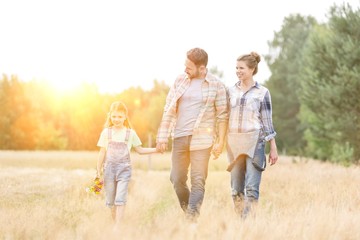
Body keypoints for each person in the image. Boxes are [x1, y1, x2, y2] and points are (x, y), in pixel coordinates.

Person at [156, 47, 229, 222]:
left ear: (202, 68)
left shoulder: (216, 85)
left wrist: (221, 142)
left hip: (202, 140)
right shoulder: (180, 80)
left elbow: (222, 115)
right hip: (180, 137)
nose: (185, 70)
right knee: (176, 178)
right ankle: (192, 215)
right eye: (185, 65)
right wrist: (162, 137)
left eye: (189, 67)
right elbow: (168, 109)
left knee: (198, 181)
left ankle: (190, 221)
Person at [226, 52, 278, 219]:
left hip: (255, 142)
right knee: (235, 190)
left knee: (251, 189)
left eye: (241, 68)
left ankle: (248, 227)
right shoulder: (230, 91)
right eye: (236, 68)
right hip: (233, 143)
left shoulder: (262, 92)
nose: (238, 71)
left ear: (252, 69)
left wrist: (273, 148)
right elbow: (224, 118)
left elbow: (267, 122)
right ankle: (242, 223)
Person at [95, 101, 158, 230]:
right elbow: (102, 152)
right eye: (114, 116)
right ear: (110, 116)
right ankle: (115, 224)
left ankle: (118, 226)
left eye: (119, 116)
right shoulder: (106, 133)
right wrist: (98, 170)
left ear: (125, 117)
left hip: (124, 170)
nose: (116, 119)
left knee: (121, 197)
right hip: (108, 170)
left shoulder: (130, 133)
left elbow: (140, 150)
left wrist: (156, 150)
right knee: (111, 201)